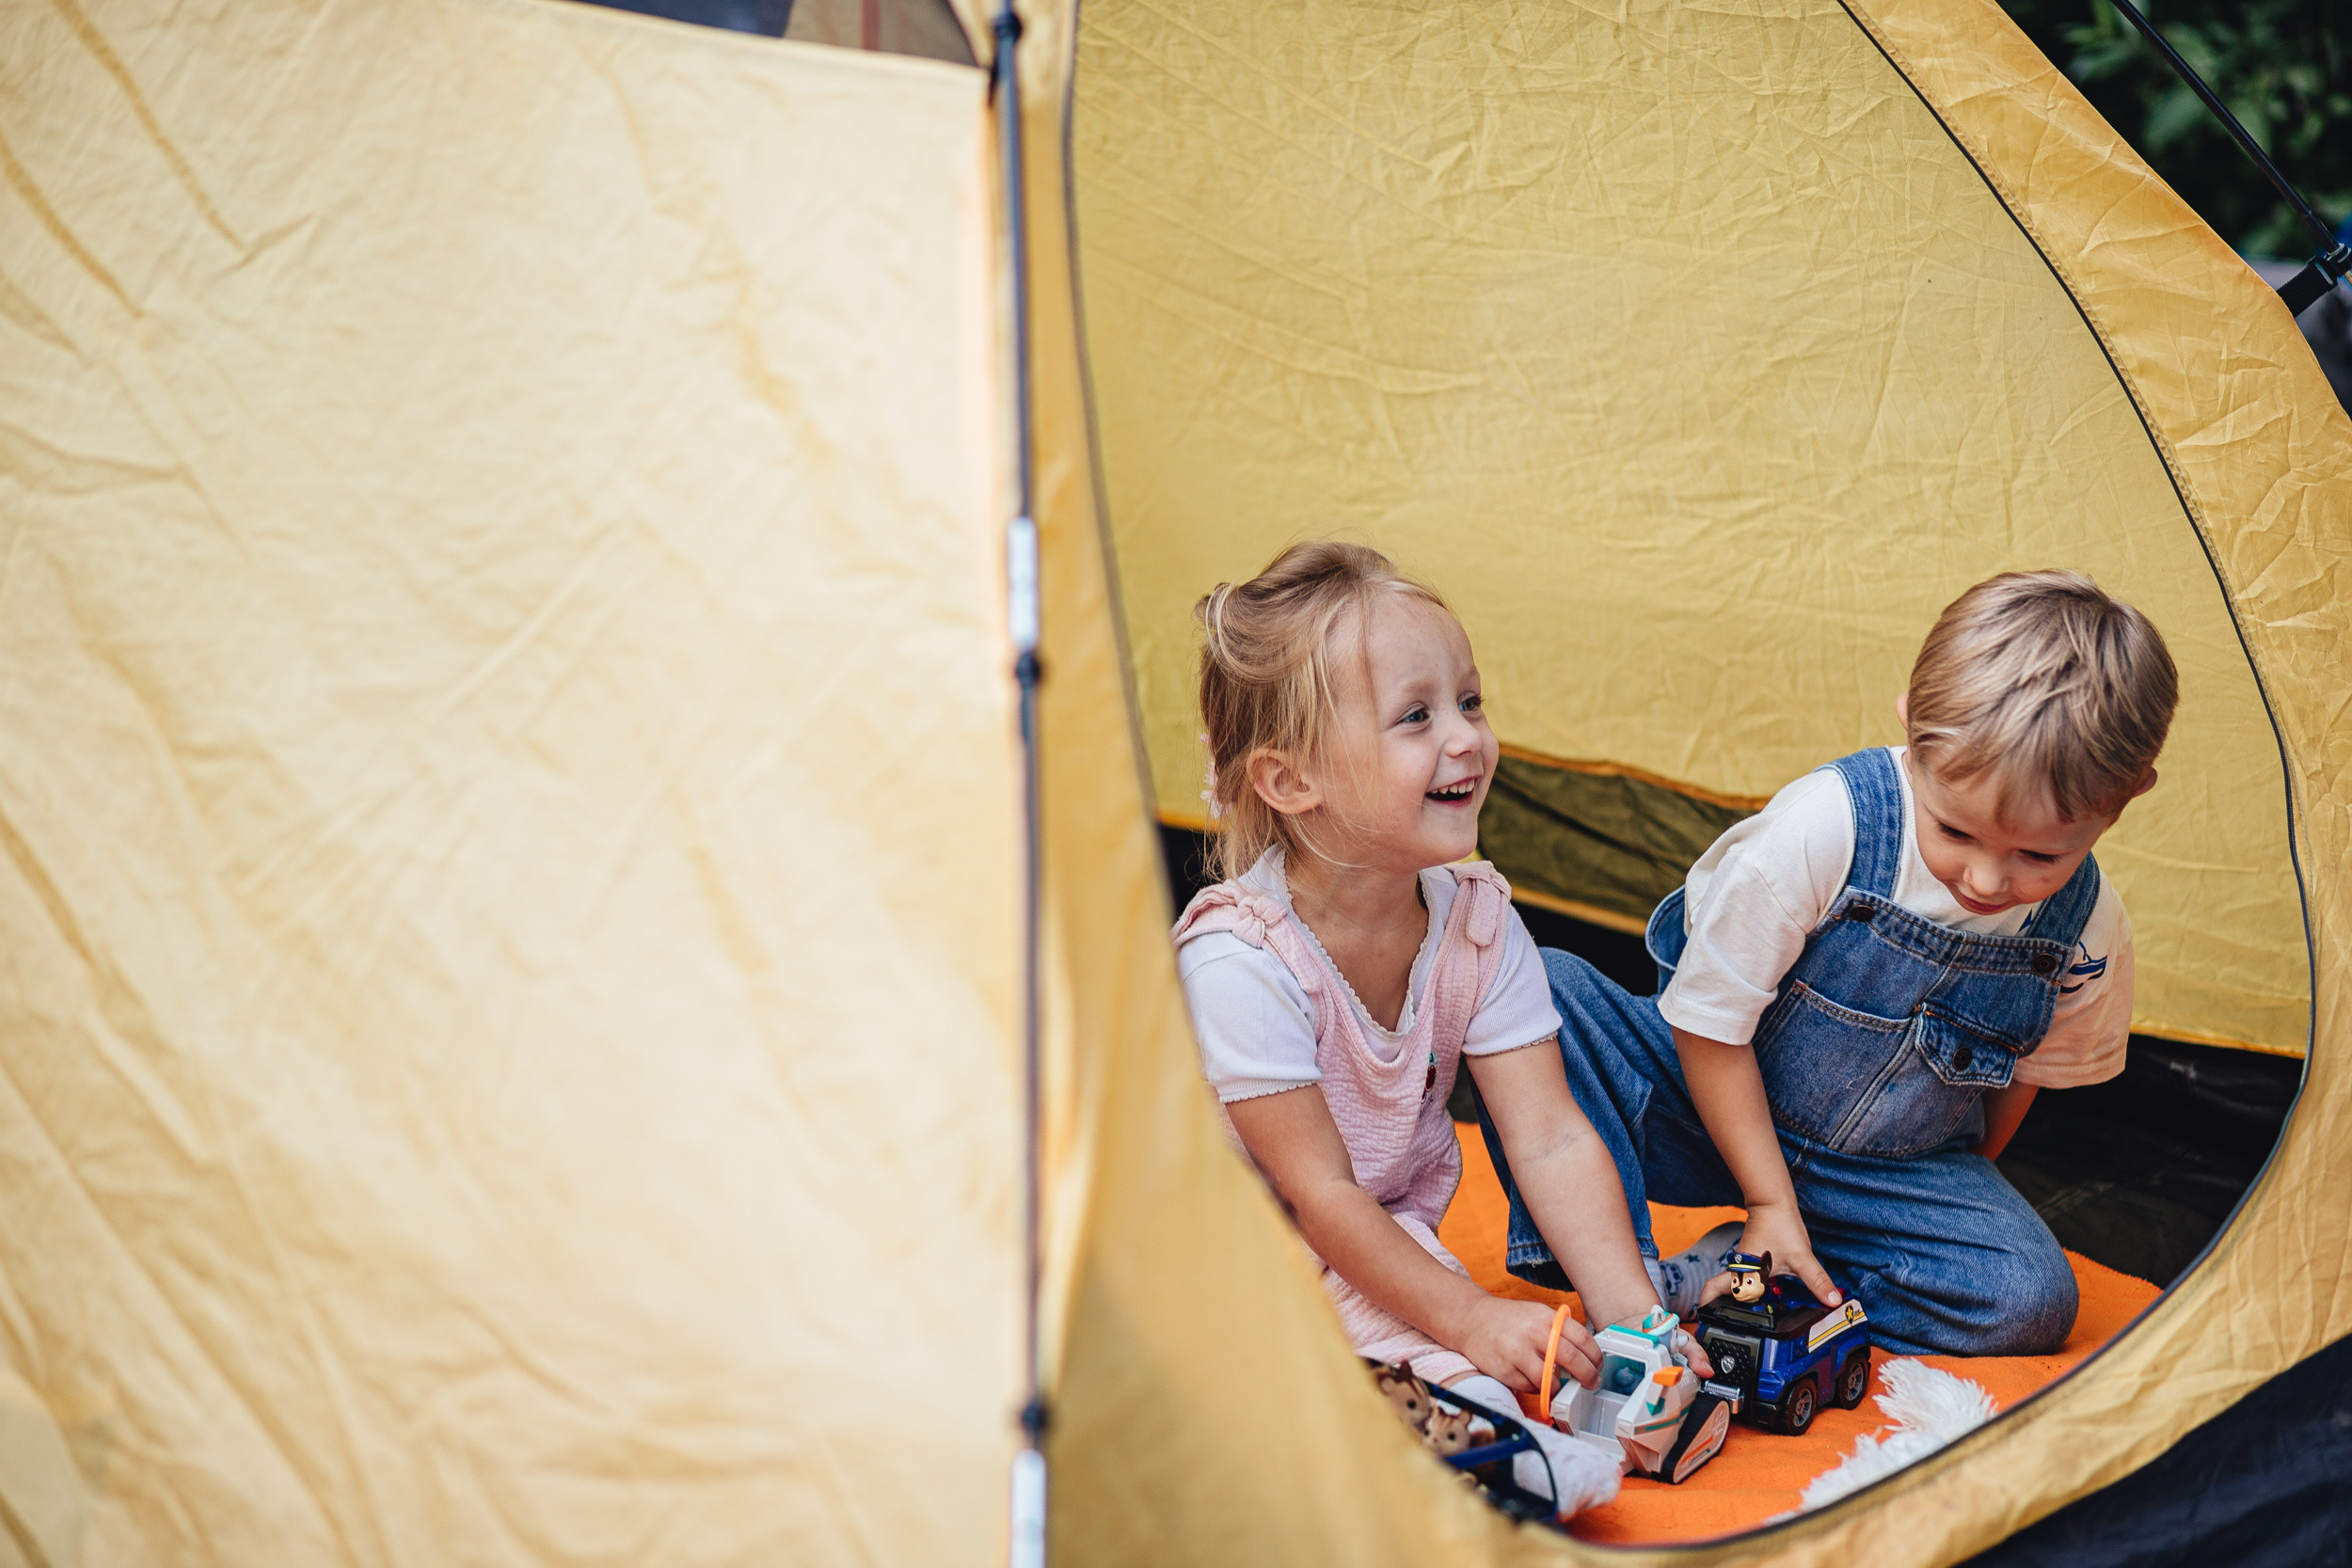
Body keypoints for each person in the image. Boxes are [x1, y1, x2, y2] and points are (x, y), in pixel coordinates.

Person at [1484, 570, 2176, 1357]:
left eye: (2037, 854)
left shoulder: (2087, 930)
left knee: (2030, 1297)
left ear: (2125, 798)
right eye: (1955, 832)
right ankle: (1637, 1281)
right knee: (1542, 990)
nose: (1987, 880)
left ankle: (1767, 1272)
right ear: (1913, 731)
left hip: (1884, 1172)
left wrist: (1933, 1205)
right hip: (1701, 1101)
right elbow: (1708, 1022)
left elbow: (2022, 1083)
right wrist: (1764, 1192)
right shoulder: (1825, 829)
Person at [1173, 541, 1708, 1518]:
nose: (1465, 738)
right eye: (1415, 716)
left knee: (1477, 1381)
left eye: (1469, 701)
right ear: (1291, 781)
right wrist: (1466, 1314)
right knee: (1299, 1392)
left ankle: (1464, 1452)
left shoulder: (1473, 917)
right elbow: (1320, 1193)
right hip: (1241, 1259)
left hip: (1383, 1246)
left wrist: (1639, 1315)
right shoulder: (1238, 961)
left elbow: (1547, 1134)